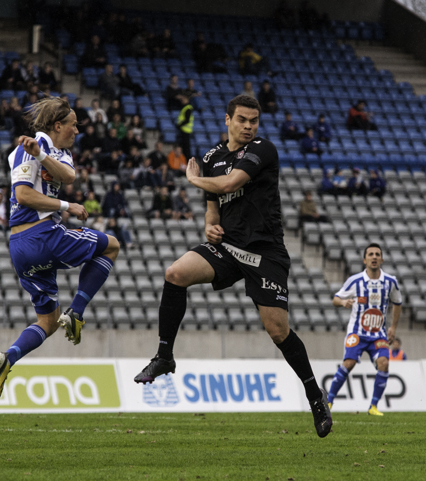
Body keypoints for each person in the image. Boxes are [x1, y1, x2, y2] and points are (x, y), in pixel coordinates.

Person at [133, 95, 332, 438]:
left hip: (264, 252)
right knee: (175, 273)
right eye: (242, 119)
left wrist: (193, 180)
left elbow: (228, 184)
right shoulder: (210, 157)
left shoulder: (263, 149)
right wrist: (209, 225)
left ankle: (314, 395)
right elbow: (214, 205)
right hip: (227, 246)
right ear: (228, 120)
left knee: (277, 331)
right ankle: (165, 356)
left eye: (253, 120)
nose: (248, 126)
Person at [0, 97, 120, 403]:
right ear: (57, 125)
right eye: (73, 124)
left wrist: (42, 155)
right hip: (41, 235)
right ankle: (77, 313)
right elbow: (23, 195)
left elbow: (68, 176)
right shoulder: (25, 147)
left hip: (21, 250)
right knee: (112, 246)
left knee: (47, 321)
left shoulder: (57, 152)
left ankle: (9, 358)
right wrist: (66, 205)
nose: (77, 130)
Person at [327, 243, 402, 416]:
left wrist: (393, 327)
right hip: (357, 333)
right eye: (370, 254)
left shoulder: (390, 282)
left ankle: (373, 407)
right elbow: (335, 299)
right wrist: (343, 302)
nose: (374, 257)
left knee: (384, 363)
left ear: (381, 259)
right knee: (349, 363)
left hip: (379, 335)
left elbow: (397, 303)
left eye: (377, 254)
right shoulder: (355, 281)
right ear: (364, 259)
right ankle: (329, 401)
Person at [176, 95, 194, 159]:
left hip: (185, 130)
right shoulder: (185, 107)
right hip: (184, 130)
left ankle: (187, 160)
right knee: (184, 147)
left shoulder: (188, 108)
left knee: (186, 148)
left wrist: (179, 125)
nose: (182, 101)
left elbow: (187, 120)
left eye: (183, 99)